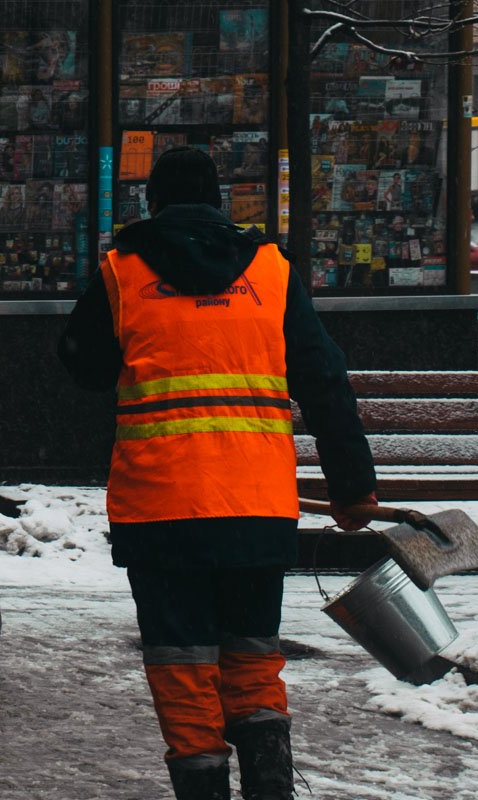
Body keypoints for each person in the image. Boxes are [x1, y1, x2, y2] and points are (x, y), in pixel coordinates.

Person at [57, 147, 377, 800]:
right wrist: (352, 486)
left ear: (152, 204)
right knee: (254, 657)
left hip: (161, 508)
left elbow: (82, 366)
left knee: (182, 665)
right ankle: (268, 788)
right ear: (219, 202)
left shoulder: (122, 273)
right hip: (255, 509)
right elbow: (324, 379)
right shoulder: (270, 270)